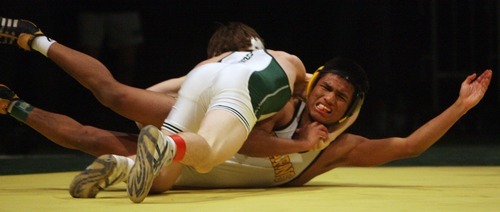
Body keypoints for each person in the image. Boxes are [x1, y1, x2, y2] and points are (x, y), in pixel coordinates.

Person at [0, 17, 493, 202]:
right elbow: (247, 132)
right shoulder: (285, 107)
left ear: (349, 110)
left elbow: (408, 147)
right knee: (115, 97)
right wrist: (295, 142)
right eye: (328, 90)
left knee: (95, 138)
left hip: (186, 162)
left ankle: (11, 103)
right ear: (316, 83)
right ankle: (35, 39)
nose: (327, 100)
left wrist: (460, 106)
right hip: (201, 140)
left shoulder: (337, 149)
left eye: (340, 99)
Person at [0, 17, 308, 203]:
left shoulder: (208, 64)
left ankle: (122, 164)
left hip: (194, 99)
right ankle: (162, 147)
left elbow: (148, 97)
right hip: (217, 126)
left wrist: (161, 118)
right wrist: (304, 142)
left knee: (113, 115)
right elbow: (260, 137)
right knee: (205, 153)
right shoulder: (286, 64)